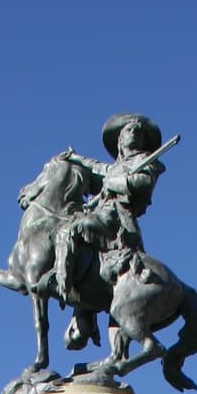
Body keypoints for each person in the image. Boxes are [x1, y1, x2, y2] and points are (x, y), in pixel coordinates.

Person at [52, 113, 167, 307]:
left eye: (138, 131)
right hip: (101, 213)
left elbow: (144, 182)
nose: (133, 133)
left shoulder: (145, 160)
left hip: (117, 217)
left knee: (69, 230)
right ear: (120, 140)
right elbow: (96, 167)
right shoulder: (116, 167)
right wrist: (75, 157)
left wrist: (115, 183)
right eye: (128, 130)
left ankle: (63, 283)